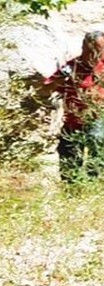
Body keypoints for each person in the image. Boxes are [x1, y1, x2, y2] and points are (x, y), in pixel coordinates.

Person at [47, 31, 104, 177]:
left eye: (97, 50)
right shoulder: (72, 66)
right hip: (73, 121)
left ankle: (93, 187)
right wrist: (62, 78)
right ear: (83, 48)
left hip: (98, 119)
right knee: (68, 160)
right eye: (88, 50)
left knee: (96, 144)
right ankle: (70, 192)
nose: (92, 54)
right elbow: (46, 88)